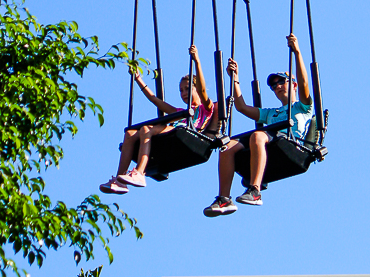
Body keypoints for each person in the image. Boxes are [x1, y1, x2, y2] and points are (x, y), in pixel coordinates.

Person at [203, 34, 313, 216]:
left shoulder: (302, 107)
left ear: (293, 84)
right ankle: (224, 199)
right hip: (270, 141)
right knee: (226, 146)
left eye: (281, 82)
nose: (277, 86)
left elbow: (304, 83)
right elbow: (241, 107)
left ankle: (255, 191)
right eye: (273, 85)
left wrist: (297, 53)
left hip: (289, 142)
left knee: (258, 134)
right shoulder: (271, 113)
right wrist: (234, 78)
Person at [100, 45, 215, 194]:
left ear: (196, 88)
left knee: (146, 129)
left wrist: (197, 61)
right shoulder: (179, 112)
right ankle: (120, 180)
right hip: (173, 134)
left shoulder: (206, 107)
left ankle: (140, 173)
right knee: (129, 134)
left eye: (187, 89)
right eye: (181, 90)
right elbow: (155, 100)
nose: (184, 93)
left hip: (186, 135)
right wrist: (138, 79)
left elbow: (202, 90)